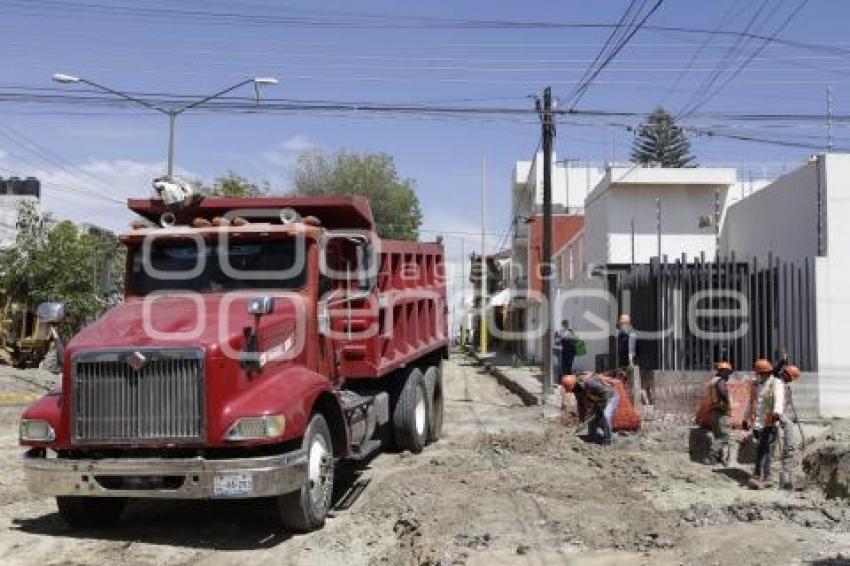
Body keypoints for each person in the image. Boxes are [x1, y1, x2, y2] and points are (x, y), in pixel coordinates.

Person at [743, 358, 785, 489]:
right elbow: (751, 403)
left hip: (770, 421)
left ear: (766, 372)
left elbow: (779, 398)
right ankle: (767, 476)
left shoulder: (776, 382)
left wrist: (777, 413)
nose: (758, 375)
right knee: (764, 449)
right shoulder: (755, 384)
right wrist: (745, 419)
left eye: (759, 372)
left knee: (762, 448)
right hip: (757, 423)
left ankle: (757, 475)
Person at [563, 373, 620, 445]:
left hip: (610, 397)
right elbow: (581, 406)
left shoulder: (589, 383)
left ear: (576, 384)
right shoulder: (577, 391)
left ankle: (608, 439)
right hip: (598, 400)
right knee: (591, 416)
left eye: (572, 389)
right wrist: (581, 420)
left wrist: (601, 408)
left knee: (606, 415)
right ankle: (592, 436)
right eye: (571, 390)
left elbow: (605, 393)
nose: (573, 391)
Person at [704, 361, 734, 466]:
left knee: (718, 436)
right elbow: (723, 392)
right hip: (720, 412)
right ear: (722, 371)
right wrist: (729, 402)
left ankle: (719, 458)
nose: (729, 375)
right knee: (724, 437)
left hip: (713, 411)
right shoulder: (720, 381)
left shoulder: (712, 381)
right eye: (728, 372)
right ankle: (711, 456)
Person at [554, 319, 577, 384]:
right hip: (562, 352)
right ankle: (561, 381)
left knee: (569, 367)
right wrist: (562, 338)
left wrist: (570, 339)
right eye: (564, 323)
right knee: (562, 367)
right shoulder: (558, 332)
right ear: (562, 325)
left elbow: (576, 341)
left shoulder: (571, 331)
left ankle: (569, 382)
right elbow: (556, 342)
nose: (566, 325)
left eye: (567, 323)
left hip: (571, 351)